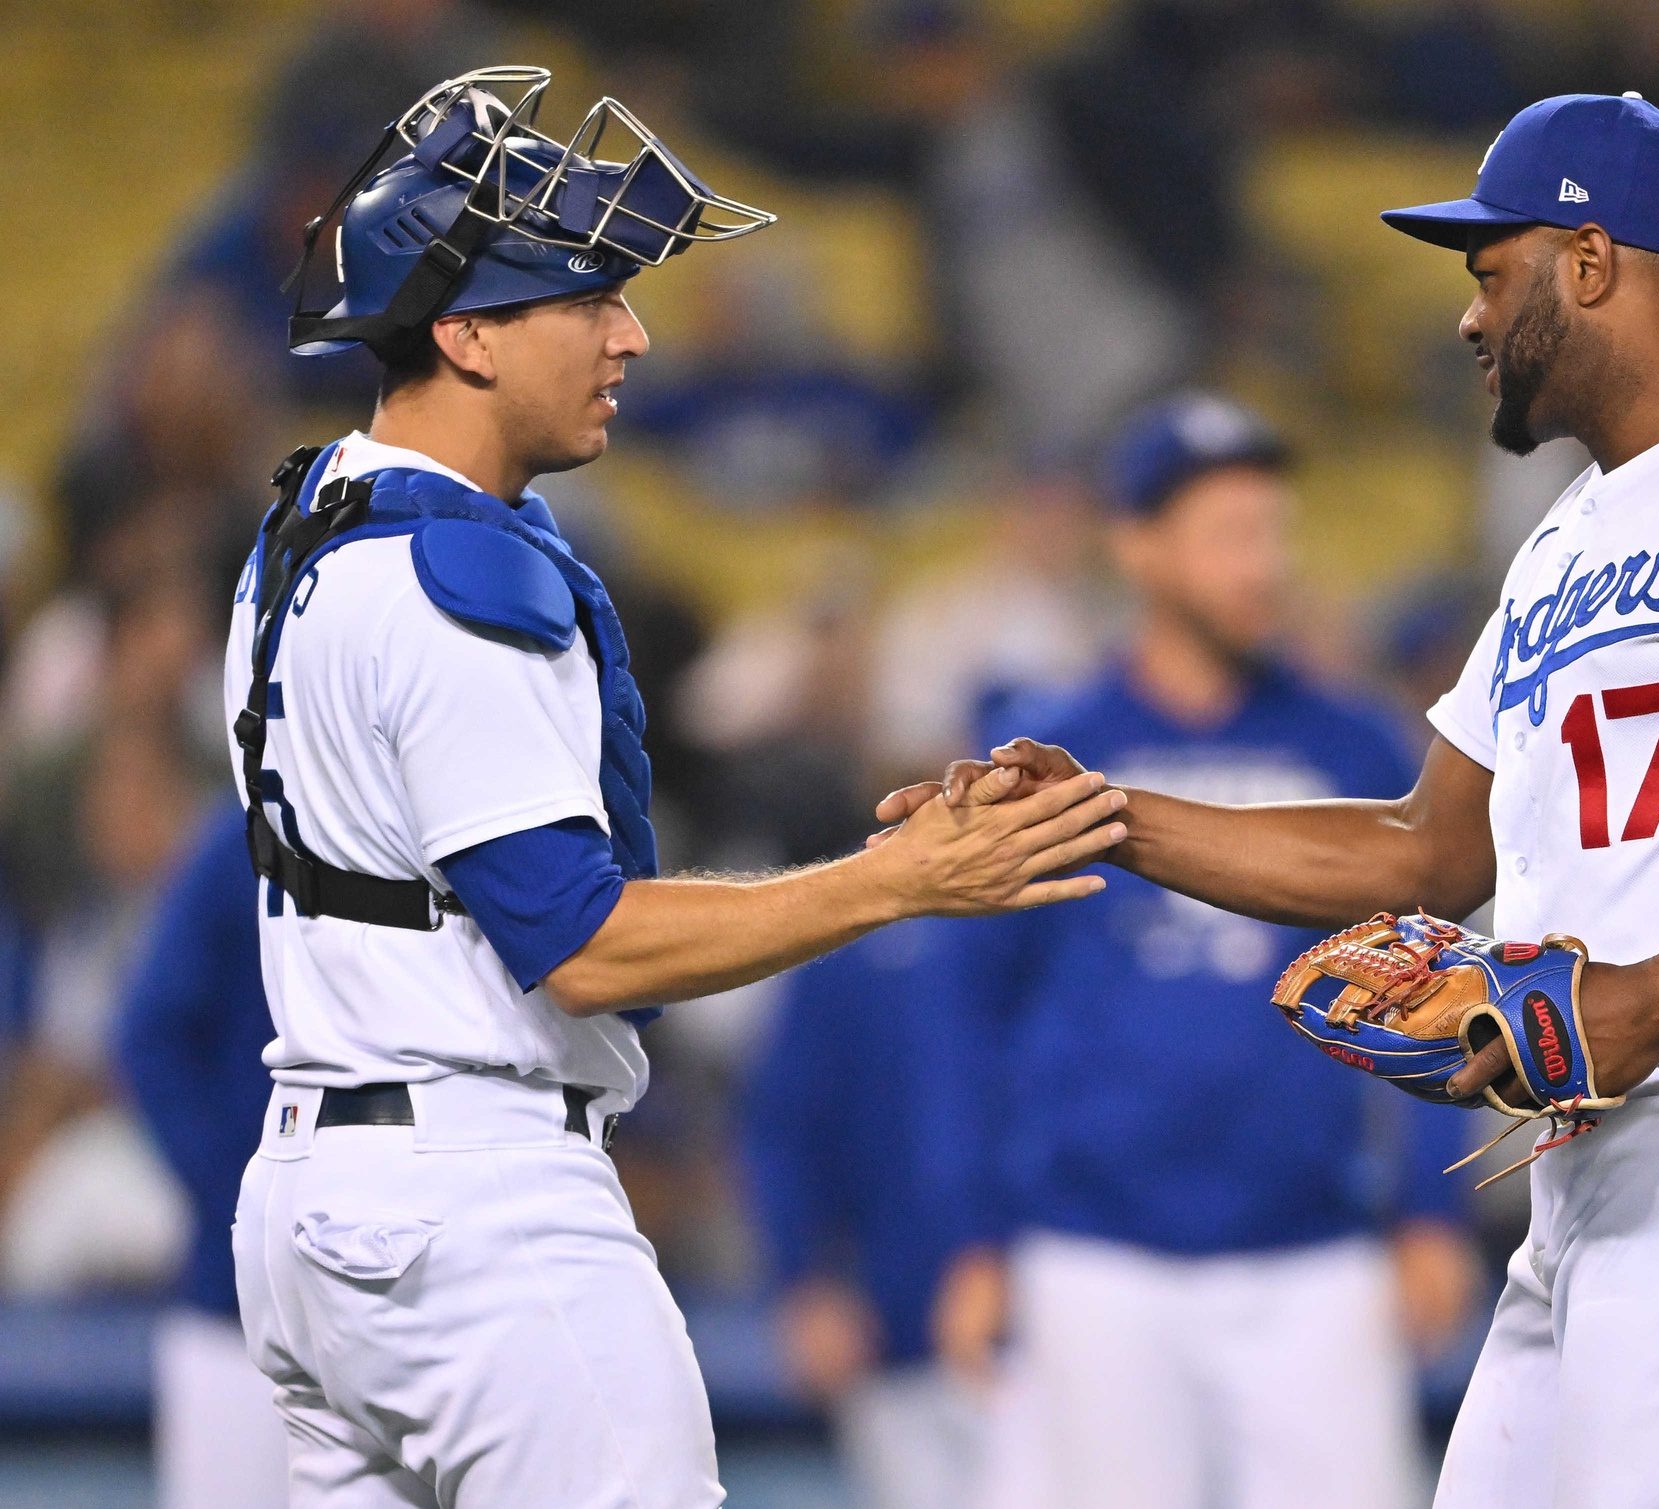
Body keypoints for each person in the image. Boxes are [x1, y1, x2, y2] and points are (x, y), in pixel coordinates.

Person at [880, 93, 1659, 1509]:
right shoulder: (1565, 542)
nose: (1471, 319)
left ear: (1589, 261)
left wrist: (1650, 994)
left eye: (1491, 270)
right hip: (1616, 1142)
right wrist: (1106, 814)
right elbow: (1422, 846)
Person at [226, 67, 1126, 1508]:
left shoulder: (308, 525)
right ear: (463, 334)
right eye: (585, 299)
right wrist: (892, 879)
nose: (631, 335)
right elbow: (581, 946)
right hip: (478, 1219)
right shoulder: (460, 573)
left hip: (319, 1221)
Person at [924, 393, 1483, 1509]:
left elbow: (1433, 992)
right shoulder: (1052, 752)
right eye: (1228, 535)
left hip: (1315, 1245)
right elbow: (967, 1015)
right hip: (1093, 1250)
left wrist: (1430, 1212)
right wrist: (973, 1237)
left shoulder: (1355, 741)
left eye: (1272, 532)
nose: (1262, 565)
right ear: (1136, 547)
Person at [740, 918, 992, 1509]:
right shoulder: (857, 920)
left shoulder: (1076, 904)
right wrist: (805, 1281)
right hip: (894, 1319)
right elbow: (786, 1123)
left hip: (1063, 1304)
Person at [114, 809, 286, 1509]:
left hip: (407, 1298)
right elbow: (148, 1034)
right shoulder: (244, 840)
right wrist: (240, 1199)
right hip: (234, 1315)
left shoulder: (452, 821)